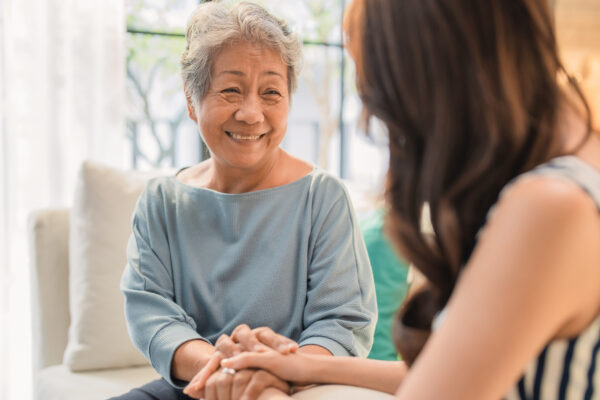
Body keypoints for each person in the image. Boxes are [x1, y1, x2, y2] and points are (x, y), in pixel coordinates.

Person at [205, 0, 600, 398]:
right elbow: (450, 375)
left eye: (382, 102)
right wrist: (303, 365)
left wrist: (259, 393)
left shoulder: (548, 207)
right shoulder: (573, 177)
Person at [114, 2, 377, 400]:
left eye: (271, 92)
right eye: (231, 90)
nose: (251, 113)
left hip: (295, 388)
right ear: (191, 99)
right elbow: (153, 315)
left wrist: (275, 376)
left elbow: (342, 322)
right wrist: (226, 372)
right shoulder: (161, 202)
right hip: (198, 383)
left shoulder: (322, 197)